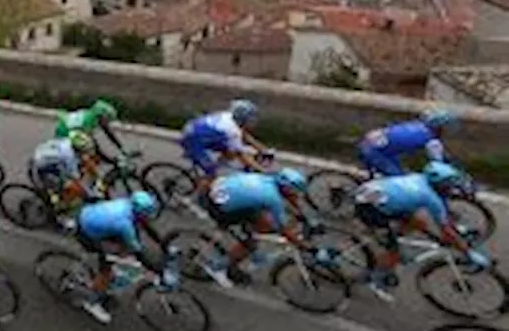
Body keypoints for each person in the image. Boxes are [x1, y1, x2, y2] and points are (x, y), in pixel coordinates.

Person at [353, 161, 491, 301]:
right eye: (448, 186)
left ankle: (392, 237)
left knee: (419, 223)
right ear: (440, 185)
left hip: (377, 194)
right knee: (393, 252)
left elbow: (446, 223)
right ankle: (375, 279)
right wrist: (467, 252)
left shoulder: (421, 178)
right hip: (369, 207)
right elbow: (446, 231)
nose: (451, 189)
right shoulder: (430, 197)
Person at [197, 168, 319, 288]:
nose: (296, 195)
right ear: (287, 188)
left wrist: (303, 216)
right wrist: (301, 244)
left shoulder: (268, 179)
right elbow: (283, 229)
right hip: (218, 207)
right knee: (250, 242)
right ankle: (217, 268)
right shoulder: (272, 198)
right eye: (295, 191)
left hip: (217, 191)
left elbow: (292, 200)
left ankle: (253, 254)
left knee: (263, 222)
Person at [71, 191, 164, 324]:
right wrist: (155, 268)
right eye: (148, 213)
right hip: (87, 232)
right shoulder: (124, 224)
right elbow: (139, 253)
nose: (150, 217)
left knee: (125, 246)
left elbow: (146, 226)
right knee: (106, 269)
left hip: (88, 214)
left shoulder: (127, 204)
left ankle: (114, 268)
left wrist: (162, 243)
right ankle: (91, 303)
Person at [179, 99, 268, 191]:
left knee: (229, 151)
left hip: (200, 133)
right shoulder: (232, 130)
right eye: (251, 118)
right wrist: (261, 170)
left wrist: (263, 149)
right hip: (192, 140)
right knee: (211, 173)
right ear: (243, 118)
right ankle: (191, 200)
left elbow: (245, 136)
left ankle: (218, 167)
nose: (253, 120)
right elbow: (241, 154)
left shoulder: (231, 117)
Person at [357, 109, 459, 177]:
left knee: (400, 170)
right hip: (376, 151)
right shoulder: (430, 139)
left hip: (372, 143)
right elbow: (438, 163)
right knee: (399, 180)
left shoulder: (417, 126)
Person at [30, 133, 100, 228]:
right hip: (42, 167)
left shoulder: (70, 143)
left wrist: (97, 176)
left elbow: (87, 160)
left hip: (47, 157)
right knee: (70, 187)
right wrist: (90, 193)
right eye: (85, 150)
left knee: (84, 165)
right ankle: (61, 215)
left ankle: (56, 197)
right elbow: (76, 180)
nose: (88, 152)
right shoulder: (68, 157)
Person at [55, 99, 125, 157]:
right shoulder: (89, 121)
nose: (107, 123)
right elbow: (95, 146)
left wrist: (121, 148)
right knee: (88, 152)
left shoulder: (93, 115)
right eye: (107, 120)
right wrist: (110, 161)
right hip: (64, 133)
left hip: (68, 128)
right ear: (100, 116)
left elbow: (108, 132)